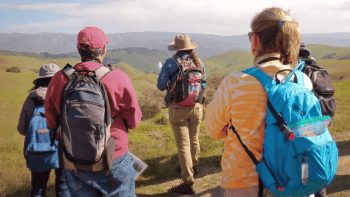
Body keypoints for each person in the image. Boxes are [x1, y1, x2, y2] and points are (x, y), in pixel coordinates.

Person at [205, 7, 309, 197]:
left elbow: (212, 129)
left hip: (245, 183)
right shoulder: (303, 81)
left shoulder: (235, 83)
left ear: (255, 39)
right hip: (294, 180)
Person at [44, 26, 142, 197]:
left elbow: (51, 121)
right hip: (113, 156)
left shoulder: (59, 79)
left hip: (73, 159)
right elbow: (133, 120)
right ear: (103, 50)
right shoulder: (117, 77)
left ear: (78, 49)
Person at [157, 34, 206, 195]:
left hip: (178, 108)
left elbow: (161, 85)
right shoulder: (199, 63)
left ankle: (188, 182)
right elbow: (203, 83)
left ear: (176, 48)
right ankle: (194, 166)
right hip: (197, 106)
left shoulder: (171, 63)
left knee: (183, 145)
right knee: (194, 139)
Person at [17, 63, 70, 197]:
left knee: (38, 189)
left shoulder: (31, 98)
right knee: (63, 188)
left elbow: (22, 129)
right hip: (62, 151)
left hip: (37, 151)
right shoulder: (64, 96)